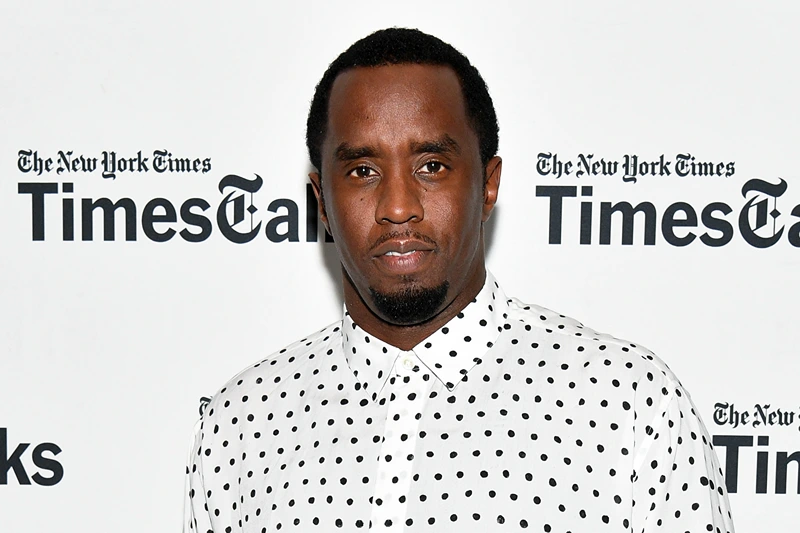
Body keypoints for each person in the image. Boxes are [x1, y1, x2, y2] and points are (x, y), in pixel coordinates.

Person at [184, 28, 735, 533]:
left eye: (431, 166)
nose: (398, 208)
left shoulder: (628, 402)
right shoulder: (241, 423)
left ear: (488, 186)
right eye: (362, 171)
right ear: (321, 202)